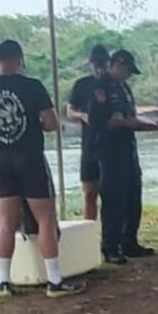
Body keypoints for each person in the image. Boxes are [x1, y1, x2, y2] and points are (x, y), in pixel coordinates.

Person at [0, 39, 86, 299]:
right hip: (29, 156)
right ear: (19, 59)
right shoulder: (32, 86)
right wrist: (33, 125)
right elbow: (52, 122)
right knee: (45, 218)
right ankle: (54, 280)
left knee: (6, 220)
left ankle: (2, 279)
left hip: (1, 158)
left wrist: (0, 132)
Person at [89, 49, 158, 264]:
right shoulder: (100, 87)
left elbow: (131, 116)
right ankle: (110, 246)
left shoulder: (124, 88)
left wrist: (143, 124)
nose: (128, 75)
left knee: (132, 195)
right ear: (116, 65)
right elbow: (103, 121)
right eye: (126, 70)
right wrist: (136, 124)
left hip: (128, 147)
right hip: (109, 149)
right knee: (113, 199)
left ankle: (129, 242)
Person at [66, 44, 109, 222]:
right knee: (89, 193)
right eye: (95, 63)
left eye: (102, 63)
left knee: (110, 195)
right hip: (89, 144)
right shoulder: (81, 85)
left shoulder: (113, 83)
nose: (98, 67)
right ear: (89, 64)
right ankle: (89, 232)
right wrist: (82, 115)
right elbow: (69, 111)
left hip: (110, 145)